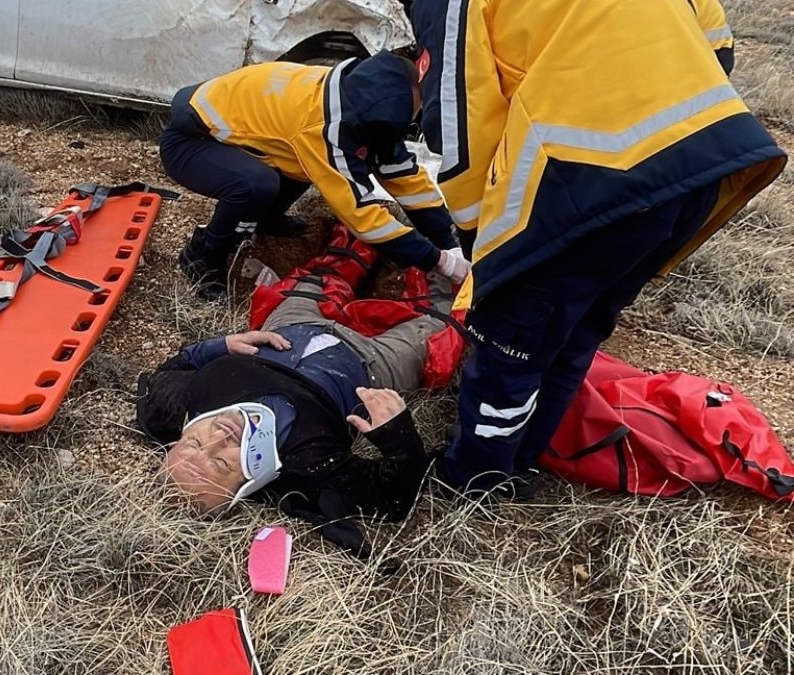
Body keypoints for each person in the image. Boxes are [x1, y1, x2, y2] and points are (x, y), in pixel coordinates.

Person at [406, 0, 787, 497]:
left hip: (589, 172)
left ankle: (475, 481)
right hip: (701, 165)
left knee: (509, 344)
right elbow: (718, 43)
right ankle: (527, 453)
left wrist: (487, 245)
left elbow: (459, 123)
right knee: (578, 329)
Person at [135, 231, 454, 556]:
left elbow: (173, 368)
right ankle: (443, 259)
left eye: (195, 443)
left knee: (320, 276)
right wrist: (396, 432)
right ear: (247, 486)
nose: (220, 437)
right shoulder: (308, 467)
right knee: (440, 325)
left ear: (176, 439)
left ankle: (378, 226)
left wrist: (221, 345)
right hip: (368, 361)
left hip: (288, 329)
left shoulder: (175, 403)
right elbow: (394, 501)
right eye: (220, 463)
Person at [157, 50, 470, 301]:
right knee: (256, 184)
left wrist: (446, 238)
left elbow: (402, 174)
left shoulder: (357, 94)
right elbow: (362, 217)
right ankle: (204, 255)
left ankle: (267, 217)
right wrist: (438, 260)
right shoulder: (326, 128)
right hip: (190, 142)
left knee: (303, 164)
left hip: (240, 136)